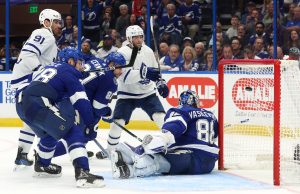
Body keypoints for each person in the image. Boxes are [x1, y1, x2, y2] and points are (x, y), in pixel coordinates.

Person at [15, 48, 104, 188]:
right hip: (38, 103)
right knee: (73, 131)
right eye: (80, 63)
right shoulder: (69, 72)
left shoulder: (51, 68)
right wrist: (91, 124)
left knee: (50, 135)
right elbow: (81, 101)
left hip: (22, 104)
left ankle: (42, 165)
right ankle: (82, 173)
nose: (82, 66)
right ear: (70, 61)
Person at [110, 89, 219, 178]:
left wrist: (154, 143)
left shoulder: (182, 110)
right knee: (161, 155)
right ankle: (129, 166)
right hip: (209, 164)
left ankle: (129, 165)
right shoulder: (211, 115)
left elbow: (172, 129)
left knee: (156, 158)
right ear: (196, 101)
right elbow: (214, 137)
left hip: (189, 159)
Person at [10, 9, 62, 168]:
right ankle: (46, 156)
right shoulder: (44, 33)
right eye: (57, 22)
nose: (60, 25)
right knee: (48, 118)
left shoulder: (49, 38)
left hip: (25, 83)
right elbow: (28, 54)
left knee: (32, 119)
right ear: (46, 22)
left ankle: (22, 154)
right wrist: (42, 72)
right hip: (29, 83)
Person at [106, 25, 169, 153]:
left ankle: (171, 143)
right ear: (129, 38)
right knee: (117, 123)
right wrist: (144, 73)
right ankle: (110, 150)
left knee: (161, 118)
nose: (139, 40)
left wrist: (160, 83)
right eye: (135, 37)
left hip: (147, 93)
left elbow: (155, 72)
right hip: (127, 95)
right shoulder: (122, 53)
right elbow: (124, 77)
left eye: (141, 37)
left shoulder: (148, 51)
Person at [52, 52, 126, 158]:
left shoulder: (97, 61)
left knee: (85, 128)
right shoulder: (110, 80)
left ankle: (80, 149)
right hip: (75, 101)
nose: (121, 71)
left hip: (63, 96)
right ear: (111, 64)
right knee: (80, 134)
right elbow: (98, 107)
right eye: (119, 67)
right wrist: (109, 114)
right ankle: (46, 155)